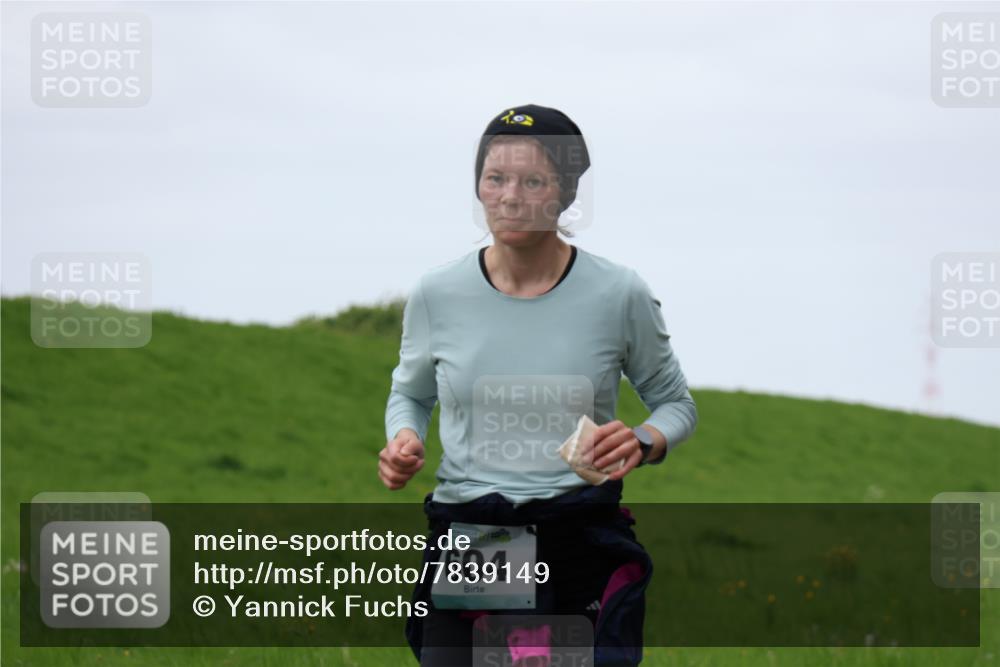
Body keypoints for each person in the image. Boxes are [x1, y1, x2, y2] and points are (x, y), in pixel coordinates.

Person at [380, 104, 698, 666]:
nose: (509, 196)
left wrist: (644, 441)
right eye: (494, 178)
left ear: (566, 192)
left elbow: (674, 404)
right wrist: (405, 438)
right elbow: (411, 392)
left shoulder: (618, 293)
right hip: (476, 537)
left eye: (533, 181)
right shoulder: (437, 293)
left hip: (575, 533)